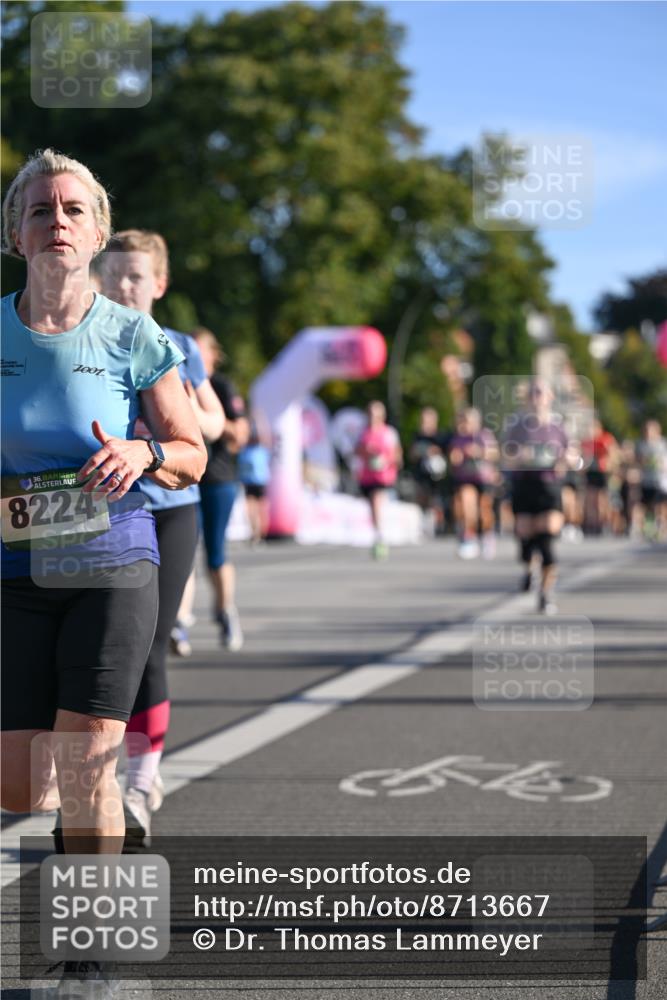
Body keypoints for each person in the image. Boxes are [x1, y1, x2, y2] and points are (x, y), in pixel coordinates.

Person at [0, 150, 206, 994]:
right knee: (24, 785)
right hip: (15, 571)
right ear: (14, 233)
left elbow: (193, 453)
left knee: (87, 759)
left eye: (75, 210)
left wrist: (143, 452)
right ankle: (96, 825)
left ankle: (91, 955)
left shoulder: (134, 335)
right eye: (42, 210)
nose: (58, 222)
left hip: (115, 563)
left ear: (98, 231)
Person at [97, 229, 225, 846]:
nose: (123, 286)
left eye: (135, 277)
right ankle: (97, 776)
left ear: (159, 284)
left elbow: (215, 423)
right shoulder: (85, 337)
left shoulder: (176, 346)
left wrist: (167, 414)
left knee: (147, 644)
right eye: (113, 274)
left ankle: (141, 781)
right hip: (108, 507)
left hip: (173, 506)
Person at [191, 327, 250, 650]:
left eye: (202, 351)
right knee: (182, 553)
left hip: (219, 480)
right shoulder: (176, 382)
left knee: (215, 552)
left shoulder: (222, 387)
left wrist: (207, 419)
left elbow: (241, 433)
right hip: (185, 480)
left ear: (214, 354)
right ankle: (179, 622)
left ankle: (226, 610)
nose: (195, 358)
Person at [504, 379, 570, 614]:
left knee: (548, 539)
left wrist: (567, 460)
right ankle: (528, 569)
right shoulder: (517, 426)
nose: (537, 397)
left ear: (550, 396)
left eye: (540, 392)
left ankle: (545, 593)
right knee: (526, 538)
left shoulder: (558, 427)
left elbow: (573, 454)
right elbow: (506, 457)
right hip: (524, 485)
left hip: (549, 485)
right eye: (533, 393)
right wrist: (521, 456)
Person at [447, 407, 499, 559]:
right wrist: (457, 456)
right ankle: (469, 537)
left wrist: (478, 452)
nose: (465, 425)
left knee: (484, 510)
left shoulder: (484, 436)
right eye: (462, 421)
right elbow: (453, 459)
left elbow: (494, 453)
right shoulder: (458, 438)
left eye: (468, 421)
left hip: (483, 478)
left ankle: (487, 536)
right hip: (465, 478)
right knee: (466, 504)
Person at [355, 400, 403, 559]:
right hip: (367, 477)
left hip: (384, 477)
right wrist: (367, 452)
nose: (372, 418)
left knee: (376, 501)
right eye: (370, 414)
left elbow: (398, 456)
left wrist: (385, 460)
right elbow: (356, 452)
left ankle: (380, 537)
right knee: (372, 507)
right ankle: (379, 532)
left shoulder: (389, 433)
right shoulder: (363, 434)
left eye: (376, 414)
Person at [408, 406, 449, 536]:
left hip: (437, 476)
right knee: (422, 497)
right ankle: (425, 523)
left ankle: (439, 526)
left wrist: (435, 452)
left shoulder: (441, 436)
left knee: (437, 500)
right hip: (421, 474)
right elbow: (412, 455)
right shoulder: (417, 436)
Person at [581, 416, 617, 536]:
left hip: (602, 472)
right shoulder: (586, 441)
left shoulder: (606, 439)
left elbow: (613, 455)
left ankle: (604, 523)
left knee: (602, 501)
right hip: (591, 472)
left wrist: (609, 463)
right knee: (590, 500)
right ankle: (592, 524)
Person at [238, 419, 271, 545]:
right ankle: (255, 534)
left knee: (261, 509)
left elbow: (265, 435)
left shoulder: (261, 449)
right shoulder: (245, 450)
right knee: (251, 510)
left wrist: (259, 417)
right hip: (249, 482)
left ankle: (261, 533)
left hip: (260, 482)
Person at [637, 419, 667, 540]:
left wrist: (661, 464)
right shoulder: (642, 445)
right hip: (647, 480)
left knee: (660, 505)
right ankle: (650, 527)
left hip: (660, 480)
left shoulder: (662, 444)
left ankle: (662, 527)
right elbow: (638, 460)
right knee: (648, 505)